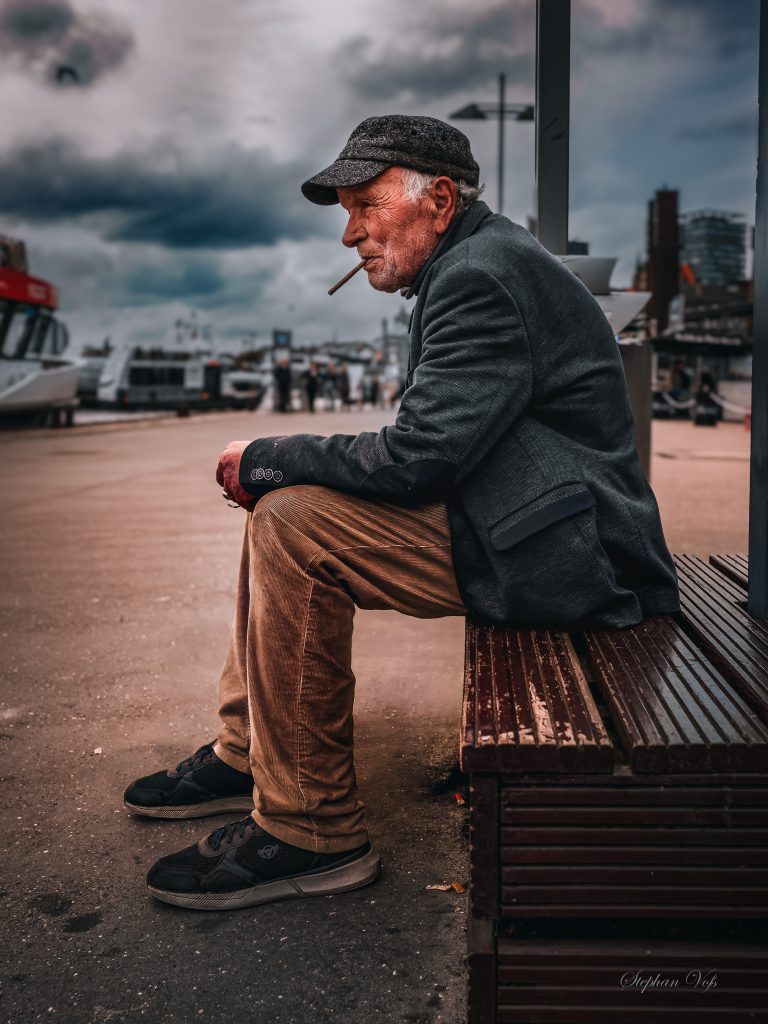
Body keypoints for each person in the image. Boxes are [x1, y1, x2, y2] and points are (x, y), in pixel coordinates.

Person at [125, 114, 679, 911]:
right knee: (288, 507)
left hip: (571, 552)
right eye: (346, 212)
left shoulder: (478, 276)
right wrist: (282, 466)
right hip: (534, 517)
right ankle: (249, 751)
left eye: (365, 207)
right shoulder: (479, 260)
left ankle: (310, 829)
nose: (349, 235)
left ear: (440, 200)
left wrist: (263, 455)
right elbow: (435, 447)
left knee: (293, 522)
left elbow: (421, 457)